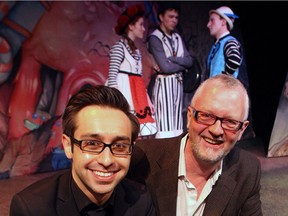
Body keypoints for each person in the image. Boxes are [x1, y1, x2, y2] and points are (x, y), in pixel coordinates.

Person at [10, 85, 156, 216]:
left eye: (119, 146)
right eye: (92, 143)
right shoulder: (32, 208)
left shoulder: (141, 201)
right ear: (68, 146)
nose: (107, 160)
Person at [128, 74, 262, 215]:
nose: (216, 130)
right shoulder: (143, 158)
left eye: (230, 122)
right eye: (207, 116)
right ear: (190, 116)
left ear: (242, 130)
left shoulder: (247, 170)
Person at [107, 4, 157, 138]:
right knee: (123, 130)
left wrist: (148, 101)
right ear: (131, 26)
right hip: (124, 93)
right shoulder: (119, 47)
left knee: (136, 133)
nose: (144, 28)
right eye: (140, 25)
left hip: (137, 94)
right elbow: (112, 77)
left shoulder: (136, 52)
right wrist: (115, 101)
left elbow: (139, 80)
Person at [147, 3, 193, 138]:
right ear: (161, 17)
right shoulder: (155, 38)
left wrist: (173, 59)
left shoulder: (177, 37)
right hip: (164, 85)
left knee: (177, 125)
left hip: (177, 85)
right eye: (170, 16)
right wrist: (182, 64)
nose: (174, 20)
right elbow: (165, 68)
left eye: (176, 17)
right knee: (165, 126)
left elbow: (189, 61)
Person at [206, 6, 242, 79]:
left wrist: (223, 81)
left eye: (212, 20)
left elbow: (234, 61)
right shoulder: (218, 44)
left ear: (223, 22)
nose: (208, 24)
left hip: (224, 89)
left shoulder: (229, 41)